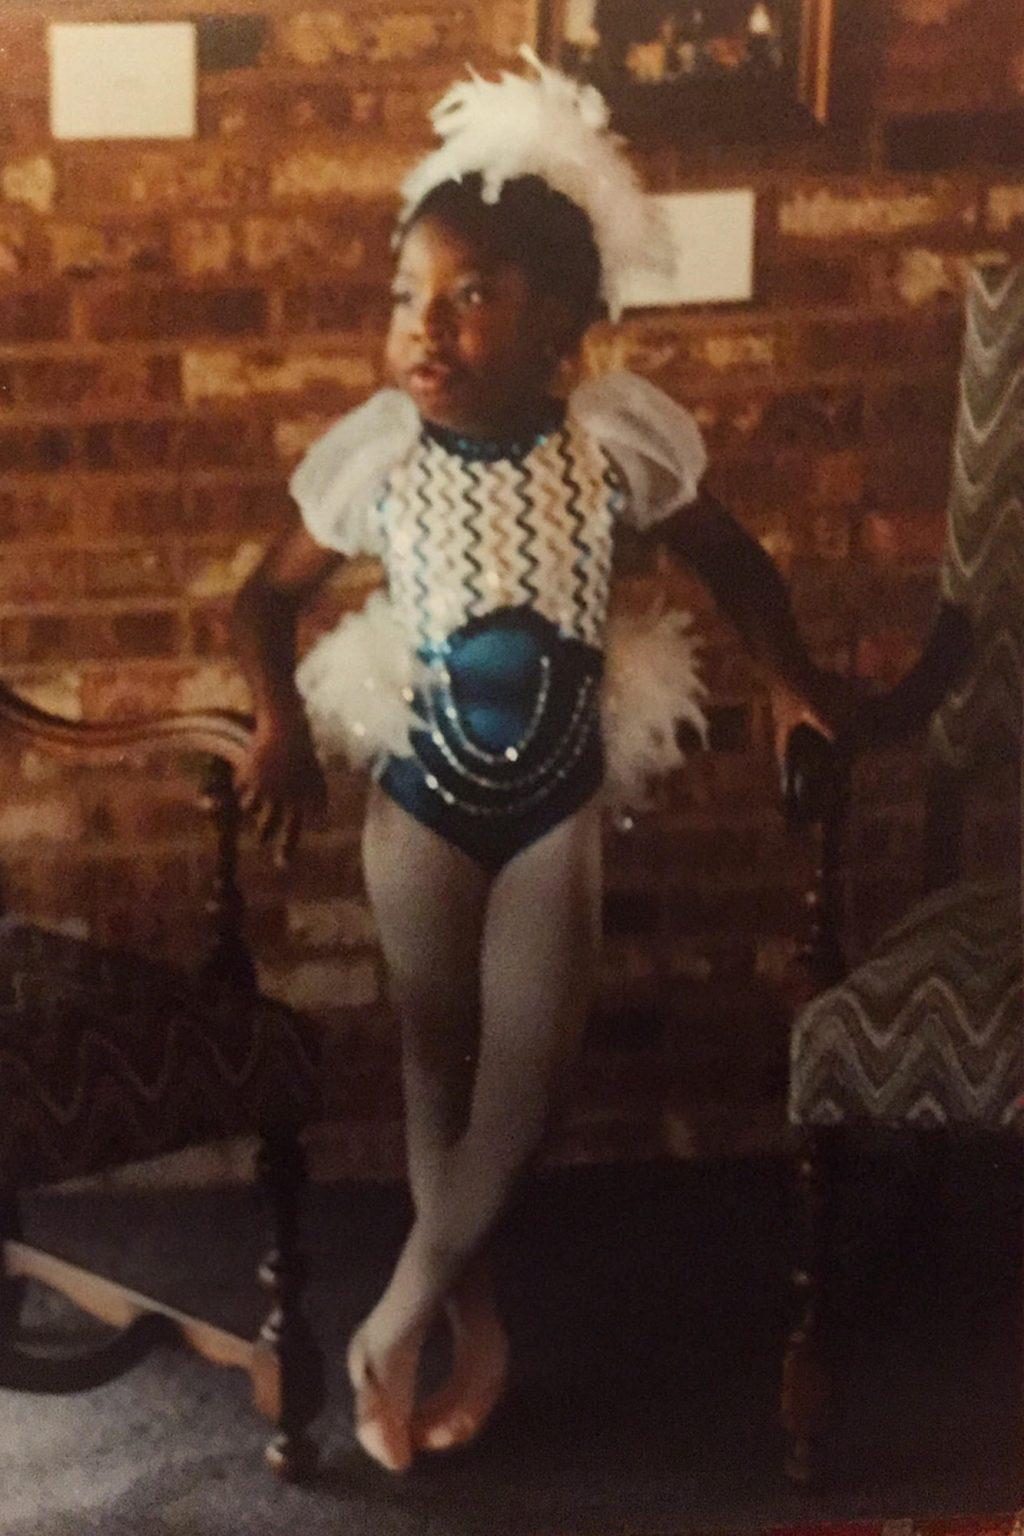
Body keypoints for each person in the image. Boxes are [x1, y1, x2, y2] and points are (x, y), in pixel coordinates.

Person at [231, 50, 846, 1474]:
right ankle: (476, 1335)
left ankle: (392, 1315)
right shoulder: (384, 457)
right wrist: (275, 719)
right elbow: (262, 597)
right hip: (422, 804)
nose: (424, 332)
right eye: (409, 301)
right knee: (436, 1072)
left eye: (469, 299)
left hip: (555, 800)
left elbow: (742, 568)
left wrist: (796, 684)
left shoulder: (611, 445)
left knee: (533, 1069)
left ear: (561, 325)